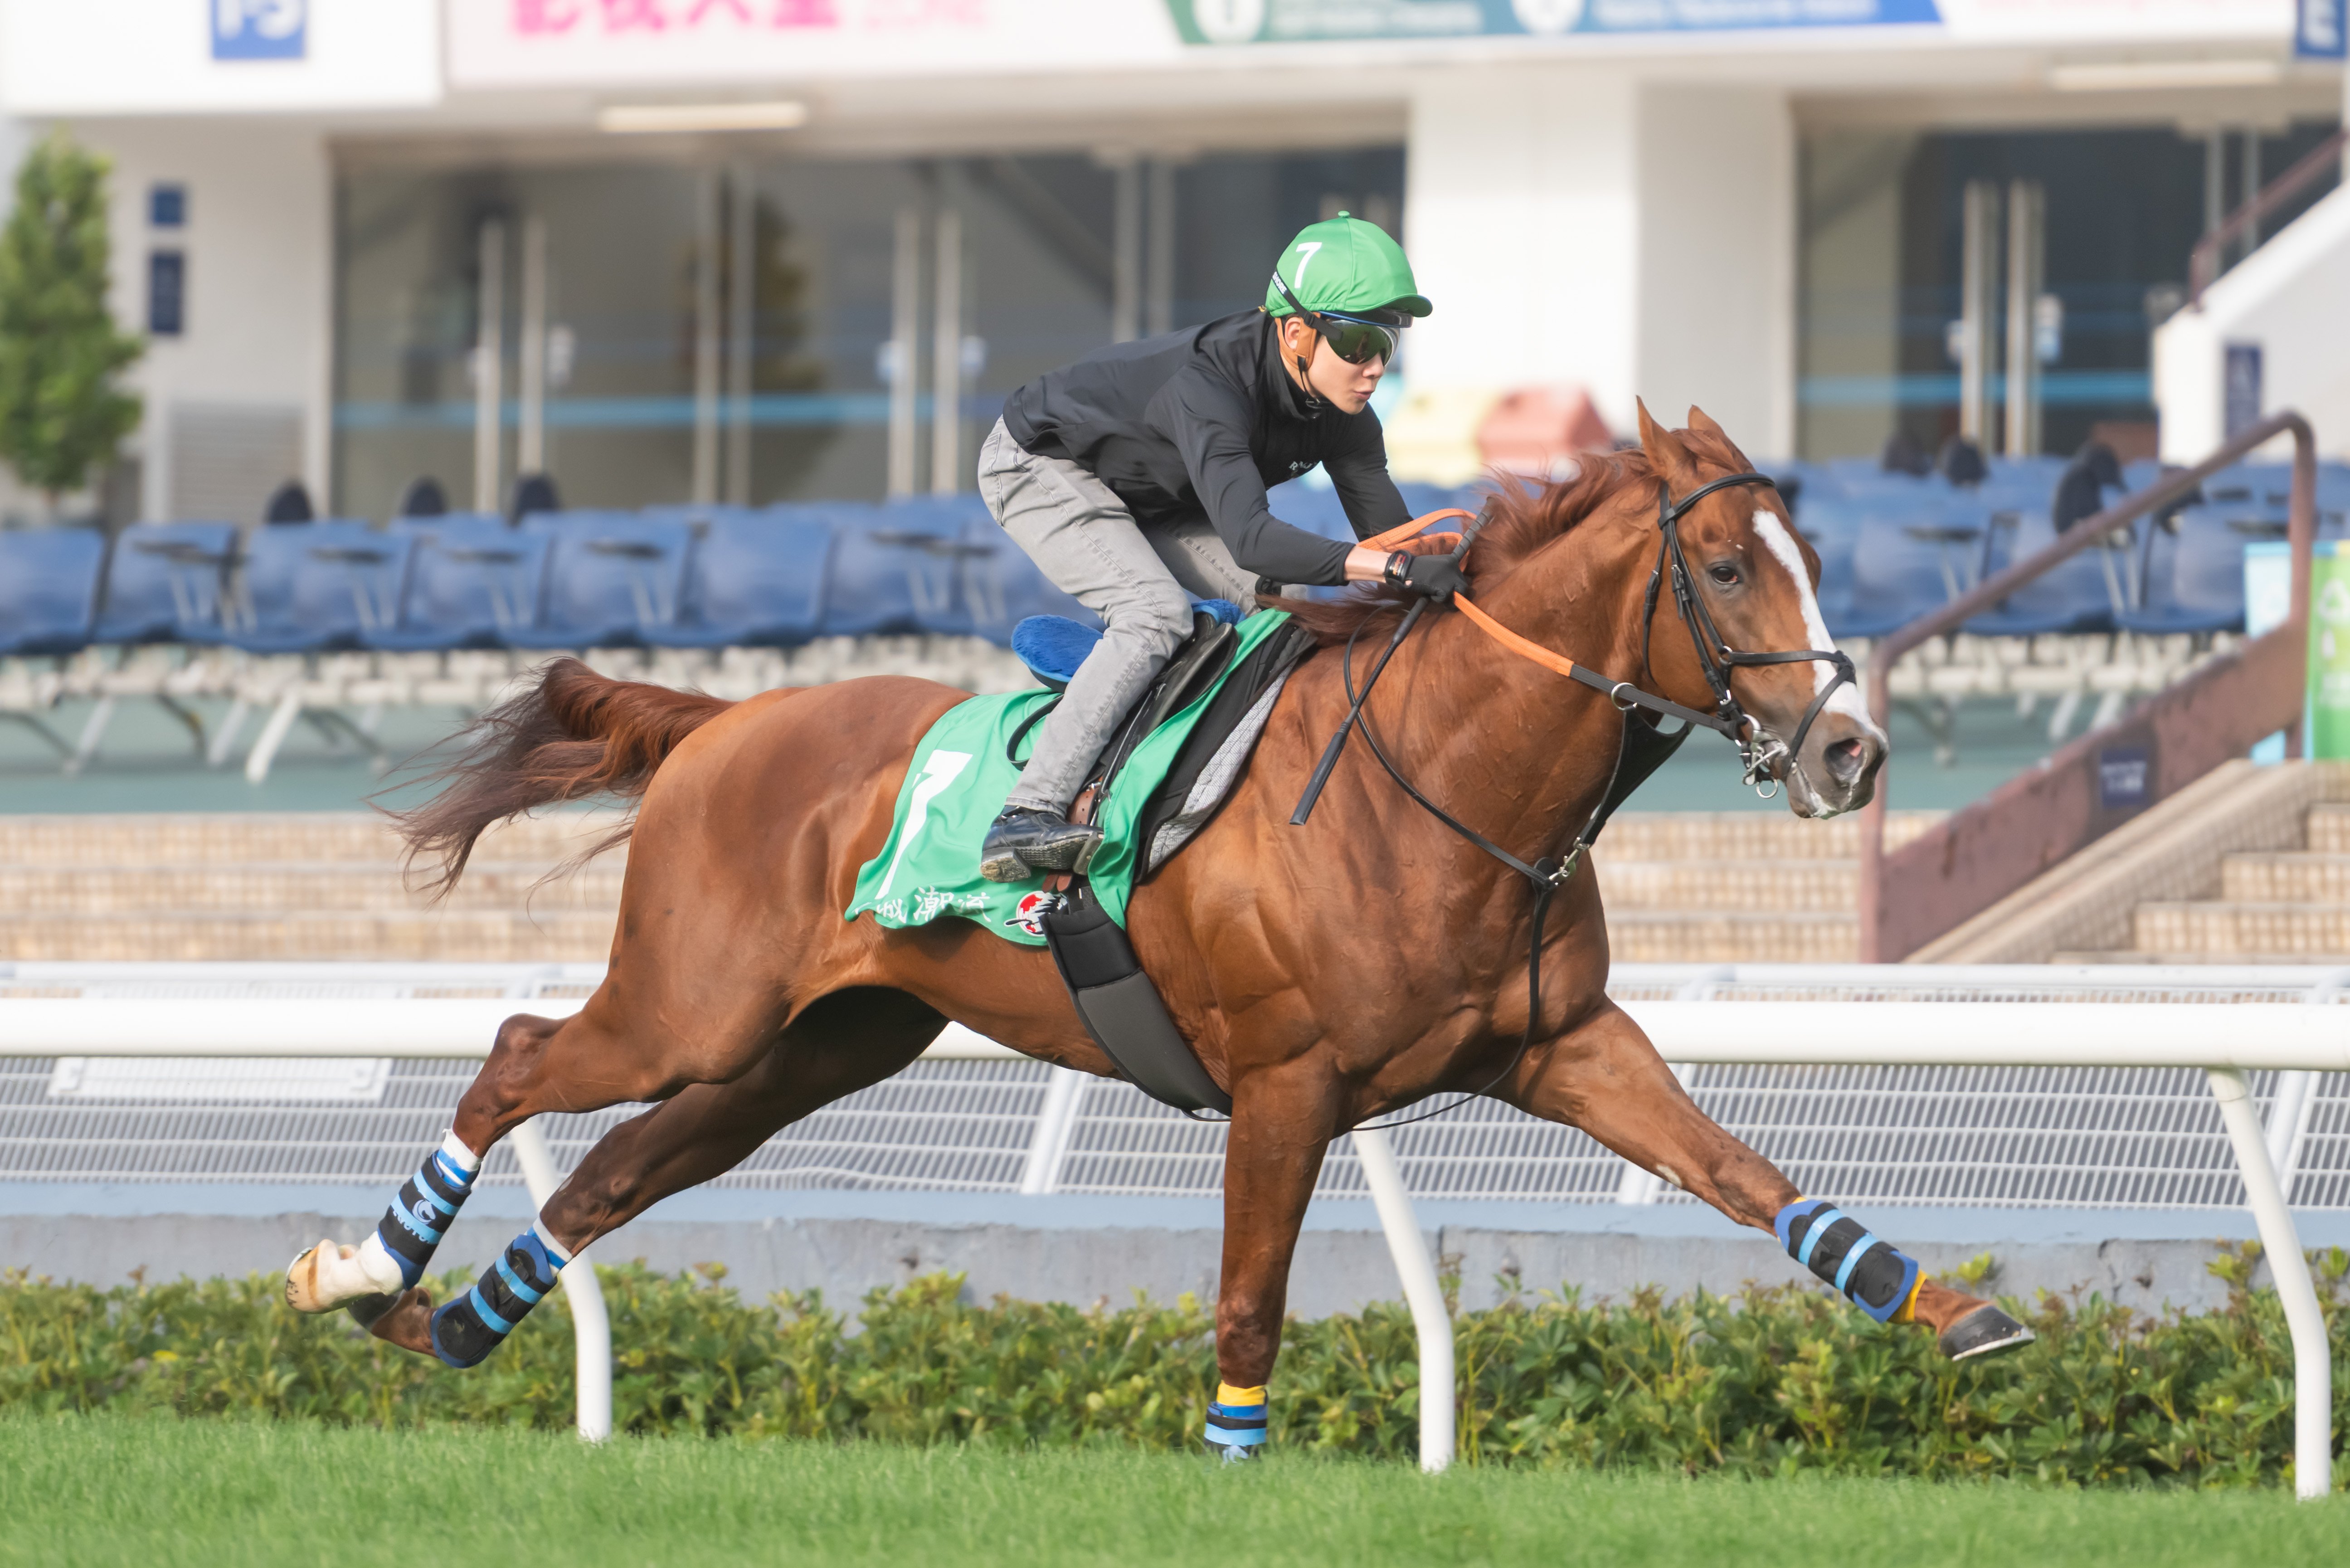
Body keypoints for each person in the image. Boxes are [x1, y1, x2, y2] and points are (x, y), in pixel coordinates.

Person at [973, 213, 1464, 883]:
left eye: (1388, 345)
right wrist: (1395, 563)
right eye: (1357, 342)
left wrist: (1451, 563)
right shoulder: (1211, 386)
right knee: (1154, 614)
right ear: (1296, 331)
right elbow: (1255, 539)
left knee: (1285, 614)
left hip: (1154, 492)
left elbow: (1390, 546)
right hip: (1041, 461)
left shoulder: (1346, 419)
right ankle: (1026, 812)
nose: (1374, 368)